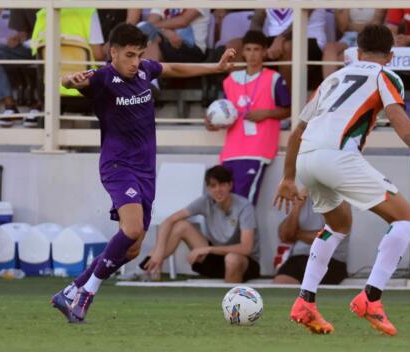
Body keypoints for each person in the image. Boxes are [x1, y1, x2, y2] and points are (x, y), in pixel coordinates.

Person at [50, 23, 235, 323]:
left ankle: (71, 290)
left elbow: (173, 67)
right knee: (133, 229)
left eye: (139, 55)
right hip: (117, 165)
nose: (135, 62)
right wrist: (70, 79)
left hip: (146, 171)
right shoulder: (102, 78)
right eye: (129, 55)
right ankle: (88, 292)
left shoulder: (144, 71)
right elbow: (71, 83)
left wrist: (216, 67)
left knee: (132, 249)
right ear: (113, 53)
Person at [274, 24, 410, 336]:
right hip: (337, 156)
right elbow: (396, 116)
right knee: (406, 219)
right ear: (391, 56)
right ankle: (371, 298)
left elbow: (297, 131)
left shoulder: (332, 79)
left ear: (357, 52)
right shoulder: (386, 76)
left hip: (306, 158)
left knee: (338, 226)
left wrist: (287, 177)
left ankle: (305, 301)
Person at [205, 30, 291, 205]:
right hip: (231, 151)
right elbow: (227, 113)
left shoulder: (274, 78)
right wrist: (214, 123)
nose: (252, 54)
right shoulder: (231, 80)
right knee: (224, 202)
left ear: (265, 52)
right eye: (248, 49)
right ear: (242, 52)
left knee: (245, 202)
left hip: (258, 149)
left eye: (257, 49)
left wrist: (266, 113)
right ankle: (229, 233)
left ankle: (246, 233)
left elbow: (288, 110)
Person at [144, 165, 260, 283]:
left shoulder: (244, 207)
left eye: (222, 185)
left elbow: (246, 248)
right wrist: (159, 251)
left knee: (232, 259)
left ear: (230, 185)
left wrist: (209, 249)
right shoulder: (205, 201)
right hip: (216, 259)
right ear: (208, 188)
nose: (218, 190)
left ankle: (229, 299)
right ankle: (145, 270)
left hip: (244, 262)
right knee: (181, 226)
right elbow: (169, 221)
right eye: (213, 186)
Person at [273, 189, 349, 285]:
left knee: (310, 289)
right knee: (281, 284)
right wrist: (297, 207)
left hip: (330, 260)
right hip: (299, 258)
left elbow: (327, 236)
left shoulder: (338, 202)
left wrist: (297, 234)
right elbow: (285, 235)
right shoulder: (301, 199)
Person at [0, 8, 40, 127]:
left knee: (50, 54)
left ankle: (40, 105)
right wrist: (18, 37)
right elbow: (22, 32)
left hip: (58, 46)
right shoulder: (22, 3)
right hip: (30, 46)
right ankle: (10, 106)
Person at [322, 9, 385, 79]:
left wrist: (352, 26)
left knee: (340, 58)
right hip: (349, 36)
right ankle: (328, 86)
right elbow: (343, 27)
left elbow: (376, 25)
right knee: (329, 48)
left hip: (370, 36)